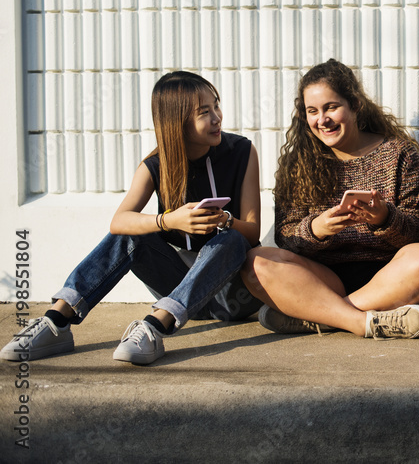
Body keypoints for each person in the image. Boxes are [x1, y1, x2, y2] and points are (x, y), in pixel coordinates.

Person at [1, 71, 263, 365]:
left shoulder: (242, 151)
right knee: (131, 232)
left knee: (232, 238)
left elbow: (252, 233)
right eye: (205, 112)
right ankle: (57, 320)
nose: (217, 117)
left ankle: (155, 326)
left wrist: (224, 220)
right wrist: (169, 221)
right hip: (180, 292)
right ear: (176, 121)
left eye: (216, 106)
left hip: (232, 293)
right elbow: (119, 222)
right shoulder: (155, 164)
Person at [242, 59, 419, 339]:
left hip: (390, 275)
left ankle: (320, 315)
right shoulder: (298, 163)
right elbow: (286, 237)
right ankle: (362, 322)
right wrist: (317, 229)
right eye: (312, 111)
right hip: (322, 278)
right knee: (254, 261)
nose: (322, 120)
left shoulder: (398, 153)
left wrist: (384, 218)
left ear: (355, 104)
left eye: (331, 107)